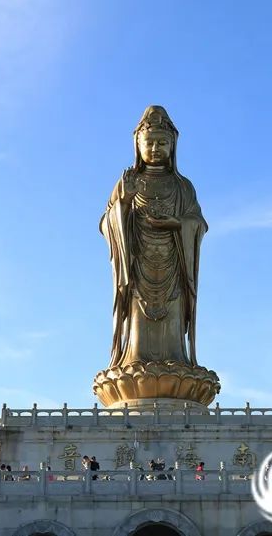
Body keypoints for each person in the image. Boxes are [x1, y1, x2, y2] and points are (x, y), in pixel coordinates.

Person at [102, 106, 208, 369]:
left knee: (172, 315)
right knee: (138, 316)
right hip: (138, 264)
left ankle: (176, 359)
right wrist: (123, 203)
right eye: (149, 142)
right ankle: (135, 359)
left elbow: (198, 223)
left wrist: (176, 223)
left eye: (162, 143)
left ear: (173, 146)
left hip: (174, 263)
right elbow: (107, 223)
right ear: (138, 145)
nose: (155, 148)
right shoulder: (127, 181)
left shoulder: (182, 186)